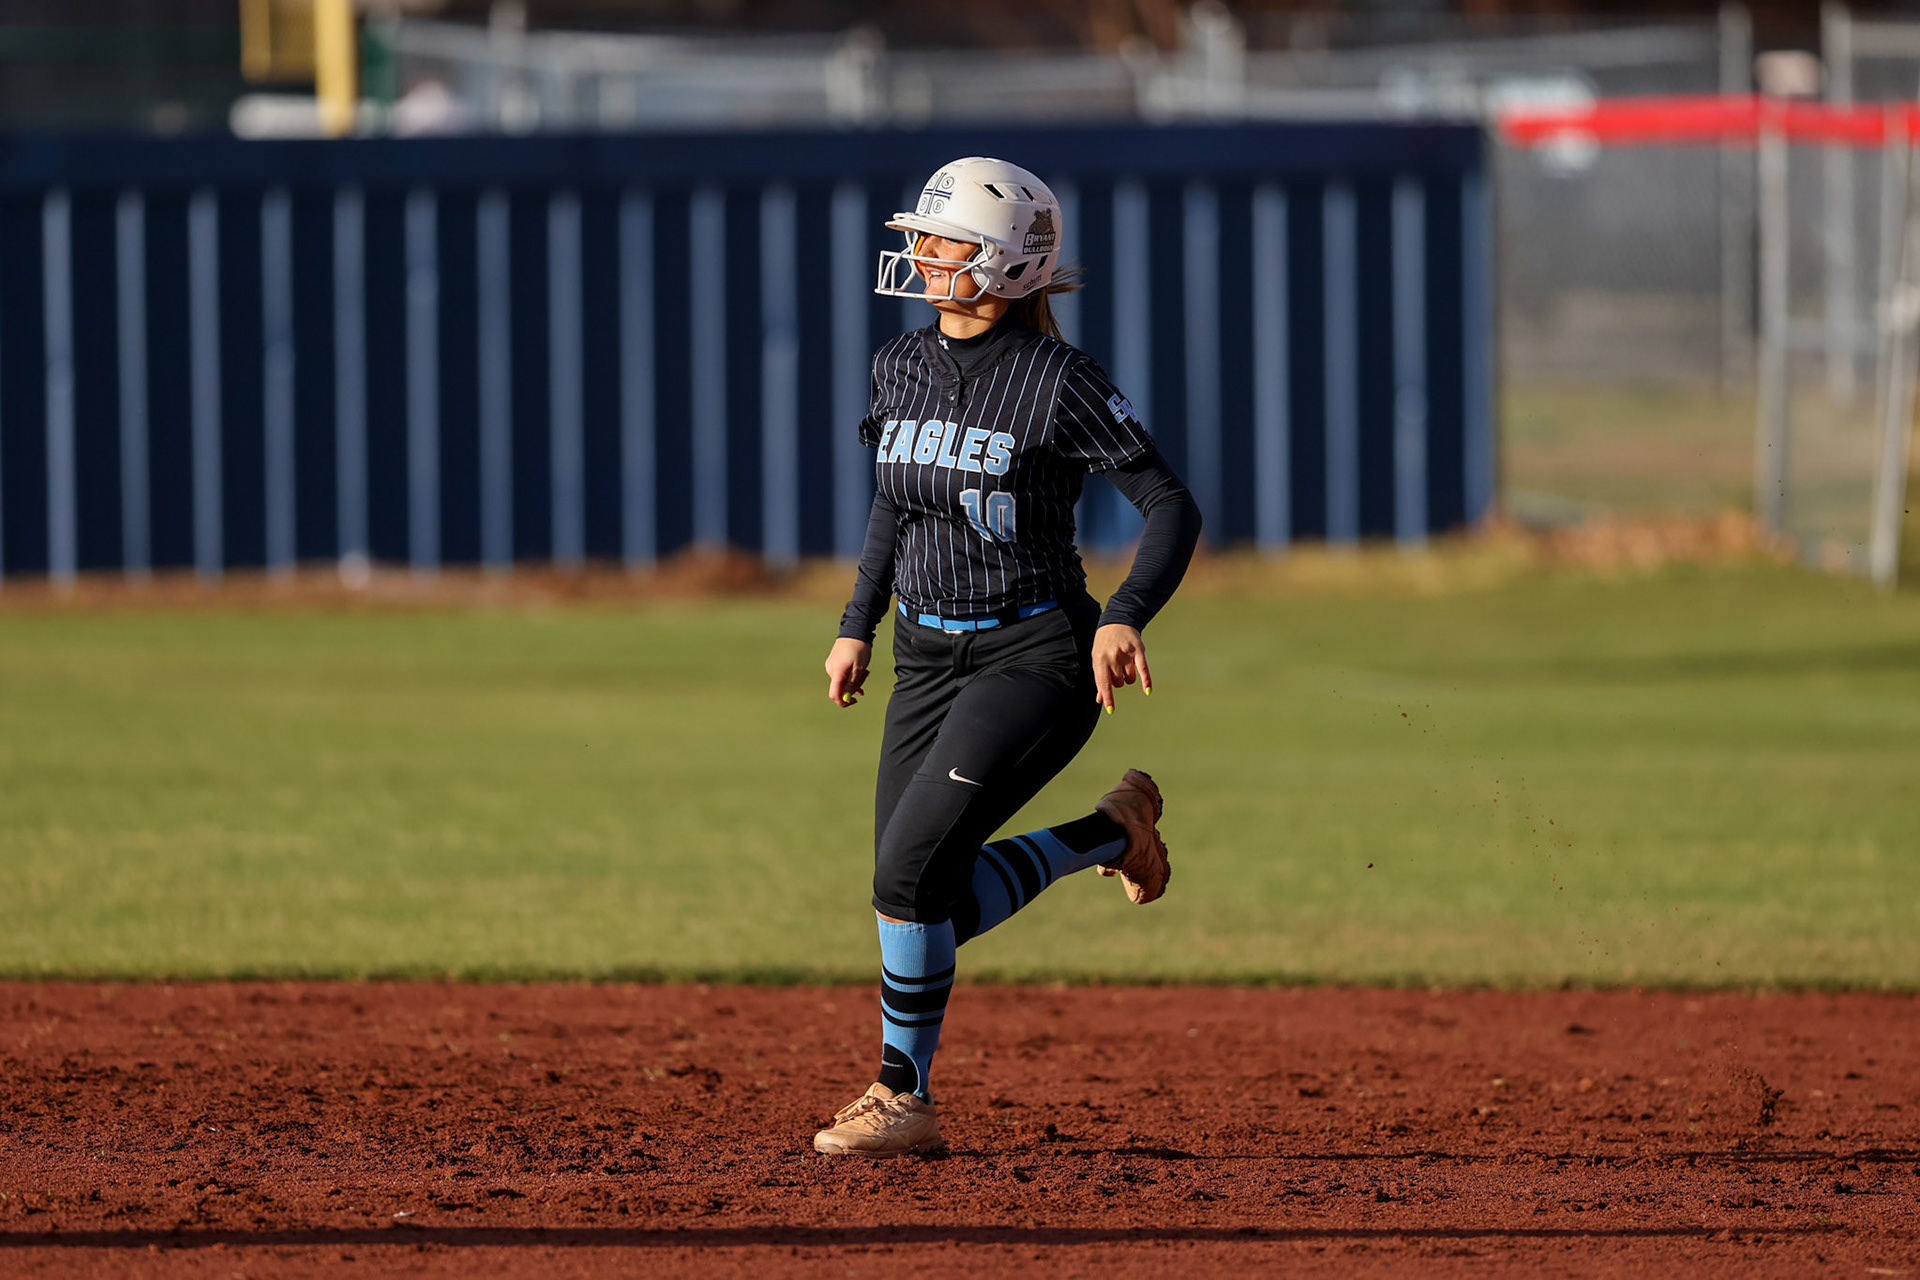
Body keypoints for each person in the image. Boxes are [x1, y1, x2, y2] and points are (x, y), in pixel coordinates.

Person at [814, 157, 1202, 1157]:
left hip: (1033, 655)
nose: (920, 254)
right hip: (924, 656)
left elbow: (1170, 504)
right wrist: (858, 623)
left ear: (1006, 262)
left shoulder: (1059, 379)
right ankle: (1111, 833)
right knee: (921, 894)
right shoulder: (900, 362)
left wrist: (1125, 614)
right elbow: (895, 501)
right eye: (920, 236)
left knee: (907, 878)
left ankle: (903, 1096)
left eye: (943, 240)